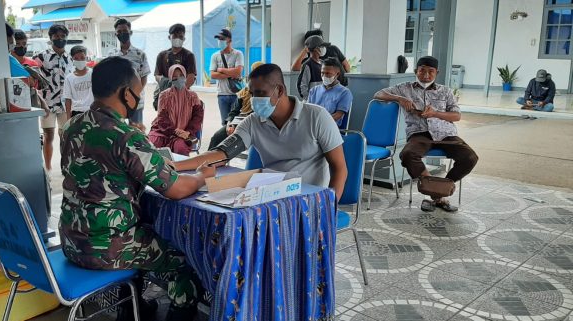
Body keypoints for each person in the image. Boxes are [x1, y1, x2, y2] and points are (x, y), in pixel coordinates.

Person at [60, 56, 214, 321]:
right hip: (108, 247)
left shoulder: (71, 126)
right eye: (138, 93)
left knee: (146, 233)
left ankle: (131, 307)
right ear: (125, 93)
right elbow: (175, 189)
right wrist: (201, 177)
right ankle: (179, 314)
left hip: (72, 241)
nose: (138, 101)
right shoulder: (126, 136)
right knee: (184, 258)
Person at [175, 63, 348, 202]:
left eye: (260, 93)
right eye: (252, 93)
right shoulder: (254, 121)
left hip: (307, 198)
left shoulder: (317, 117)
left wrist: (329, 208)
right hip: (271, 195)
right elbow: (222, 153)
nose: (254, 99)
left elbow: (340, 168)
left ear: (279, 90)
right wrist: (175, 166)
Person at [373, 56, 479, 212]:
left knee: (470, 157)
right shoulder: (405, 88)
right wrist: (400, 98)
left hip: (446, 134)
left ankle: (436, 191)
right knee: (408, 155)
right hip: (419, 134)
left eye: (431, 71)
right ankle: (439, 197)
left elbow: (456, 116)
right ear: (416, 71)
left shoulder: (446, 91)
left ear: (437, 72)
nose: (426, 75)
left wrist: (436, 113)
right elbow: (378, 94)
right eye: (422, 70)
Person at [35, 24, 71, 171]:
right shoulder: (41, 56)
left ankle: (65, 167)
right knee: (48, 136)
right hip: (47, 104)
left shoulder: (71, 58)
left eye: (63, 36)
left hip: (65, 104)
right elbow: (34, 79)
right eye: (56, 36)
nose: (60, 39)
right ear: (51, 38)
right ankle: (48, 169)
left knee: (65, 137)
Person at [106, 18, 151, 131]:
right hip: (116, 100)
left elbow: (144, 78)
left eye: (125, 31)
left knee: (135, 131)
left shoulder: (140, 54)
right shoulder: (111, 54)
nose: (122, 34)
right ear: (116, 34)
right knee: (117, 130)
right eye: (119, 32)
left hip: (135, 100)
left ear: (130, 32)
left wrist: (134, 94)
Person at [148, 64, 204, 156]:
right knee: (152, 145)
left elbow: (198, 118)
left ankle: (180, 169)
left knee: (180, 148)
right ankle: (156, 170)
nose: (179, 79)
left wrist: (188, 132)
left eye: (181, 76)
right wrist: (175, 131)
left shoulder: (192, 96)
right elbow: (162, 118)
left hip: (184, 133)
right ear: (170, 78)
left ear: (185, 76)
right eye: (174, 77)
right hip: (163, 131)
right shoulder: (164, 95)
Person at [208, 61, 263, 150]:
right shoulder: (244, 92)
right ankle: (209, 161)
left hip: (252, 126)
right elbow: (234, 111)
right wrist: (230, 124)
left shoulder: (266, 93)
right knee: (217, 137)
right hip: (236, 123)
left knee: (234, 142)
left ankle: (220, 158)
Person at [210, 28, 245, 125]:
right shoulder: (215, 56)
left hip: (236, 94)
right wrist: (231, 72)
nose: (219, 42)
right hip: (222, 95)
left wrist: (221, 70)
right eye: (218, 39)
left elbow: (238, 72)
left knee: (236, 123)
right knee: (225, 124)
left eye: (222, 39)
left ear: (229, 40)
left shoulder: (238, 54)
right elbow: (213, 75)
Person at [307, 57, 353, 129]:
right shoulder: (314, 91)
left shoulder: (344, 93)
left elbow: (338, 115)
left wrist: (319, 123)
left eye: (328, 73)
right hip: (312, 127)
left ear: (337, 74)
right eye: (322, 73)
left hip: (330, 128)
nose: (324, 76)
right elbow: (308, 111)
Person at [155, 23, 197, 88]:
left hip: (182, 93)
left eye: (180, 37)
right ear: (169, 37)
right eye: (175, 36)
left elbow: (191, 77)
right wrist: (165, 83)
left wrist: (180, 91)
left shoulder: (189, 56)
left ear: (184, 39)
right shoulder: (162, 55)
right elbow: (157, 75)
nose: (178, 39)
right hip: (165, 92)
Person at [62, 46, 93, 119]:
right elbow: (68, 99)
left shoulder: (94, 74)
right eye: (76, 58)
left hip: (92, 111)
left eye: (82, 57)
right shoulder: (69, 78)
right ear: (72, 59)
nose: (79, 60)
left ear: (86, 58)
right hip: (76, 113)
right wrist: (68, 119)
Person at [297, 35, 325, 100]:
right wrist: (309, 100)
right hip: (313, 103)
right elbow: (302, 86)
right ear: (315, 49)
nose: (324, 48)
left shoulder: (323, 63)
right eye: (322, 46)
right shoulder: (308, 65)